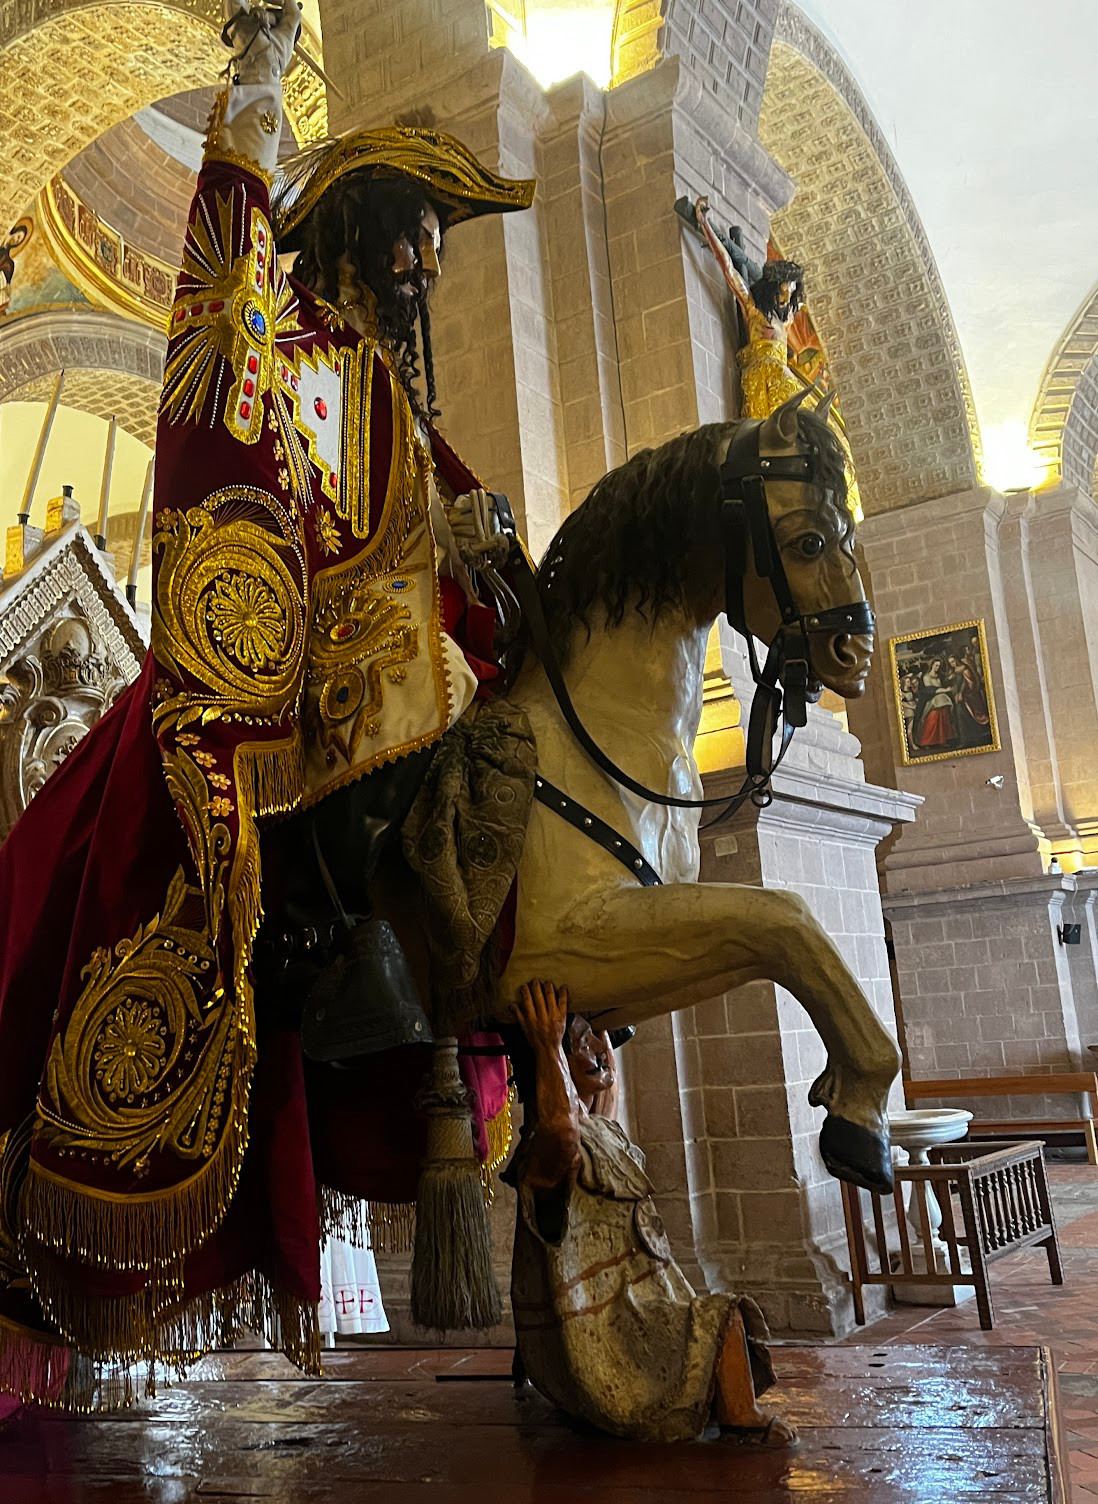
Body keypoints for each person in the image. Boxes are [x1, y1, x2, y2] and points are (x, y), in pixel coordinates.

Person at [0, 0, 531, 1407]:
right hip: (273, 685)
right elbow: (214, 329)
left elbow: (450, 528)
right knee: (176, 859)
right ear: (348, 237)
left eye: (435, 241)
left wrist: (498, 563)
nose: (425, 263)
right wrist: (245, 112)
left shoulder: (389, 394)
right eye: (407, 233)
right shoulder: (283, 341)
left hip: (389, 696)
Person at [505, 980, 795, 1447]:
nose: (600, 1051)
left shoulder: (603, 1132)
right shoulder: (550, 1150)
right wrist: (544, 1042)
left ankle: (727, 1405)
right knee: (726, 1316)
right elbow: (563, 1128)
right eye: (580, 1045)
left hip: (640, 1316)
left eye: (598, 1040)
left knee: (721, 1322)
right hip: (607, 1340)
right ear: (554, 1064)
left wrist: (596, 1037)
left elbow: (596, 1105)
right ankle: (743, 1419)